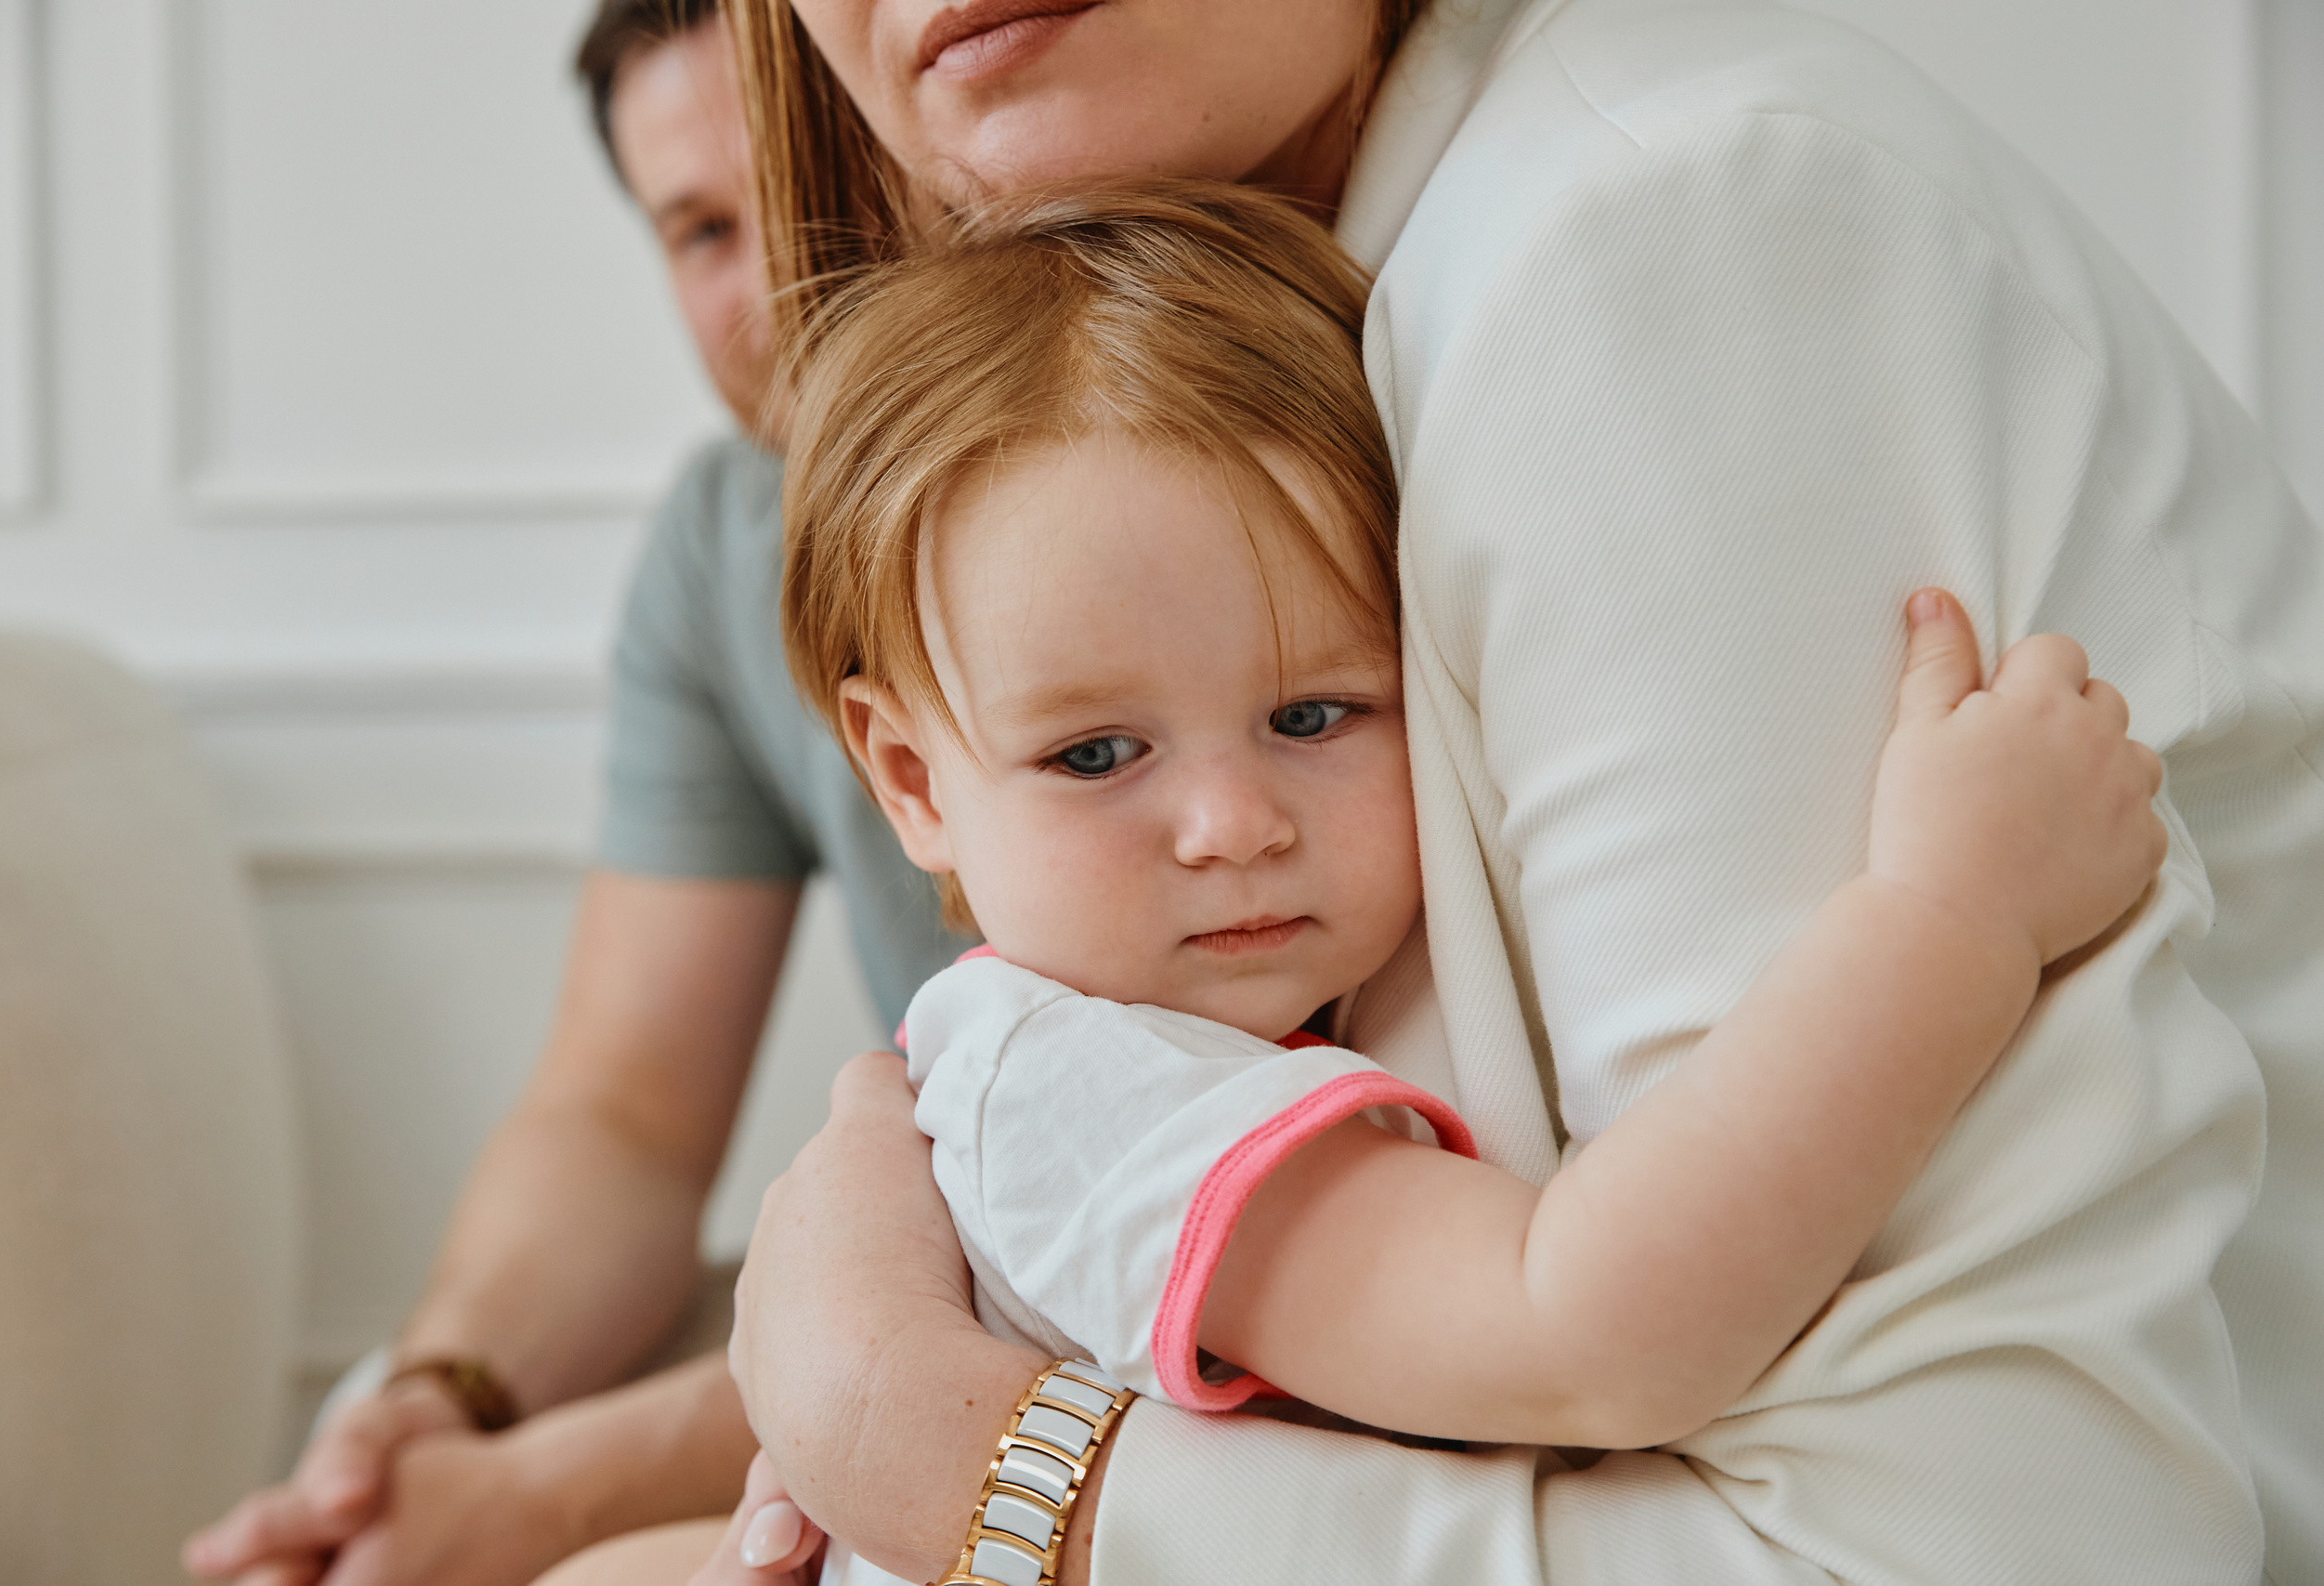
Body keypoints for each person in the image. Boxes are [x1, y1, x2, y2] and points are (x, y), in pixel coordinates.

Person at [703, 0, 2324, 1582]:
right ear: (906, 776)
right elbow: (1588, 1331)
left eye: (1319, 712)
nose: (1232, 825)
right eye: (1097, 755)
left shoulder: (1649, 233)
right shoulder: (1095, 1088)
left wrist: (953, 1459)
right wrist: (1951, 919)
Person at [181, 5, 966, 1584]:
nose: (783, 279)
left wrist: (542, 1496)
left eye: (818, 181)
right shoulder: (724, 544)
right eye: (699, 230)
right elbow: (622, 1110)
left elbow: (1074, 1233)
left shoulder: (1154, 479)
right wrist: (442, 1396)